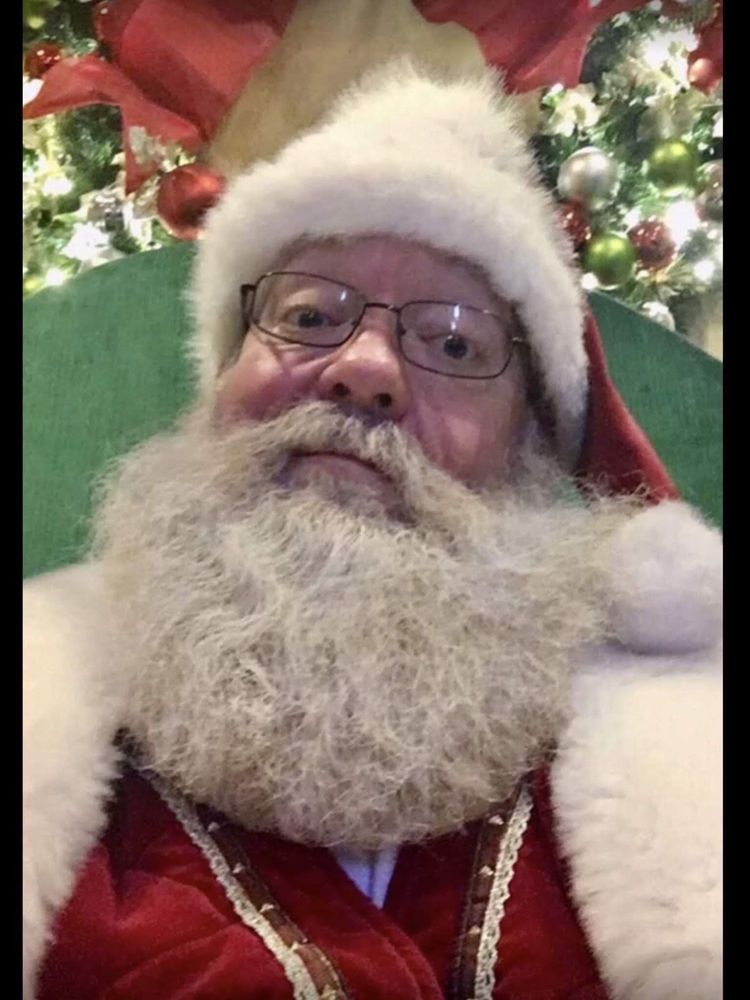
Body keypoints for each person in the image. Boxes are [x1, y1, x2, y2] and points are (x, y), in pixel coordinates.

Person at [23, 62, 722, 1000]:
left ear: (526, 448)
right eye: (310, 316)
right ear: (223, 383)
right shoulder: (44, 704)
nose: (364, 369)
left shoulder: (685, 758)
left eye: (454, 343)